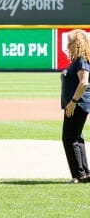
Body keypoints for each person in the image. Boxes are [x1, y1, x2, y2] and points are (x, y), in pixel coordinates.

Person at [61, 29, 90, 184]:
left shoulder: (81, 60)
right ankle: (84, 173)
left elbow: (84, 82)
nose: (68, 45)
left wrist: (73, 102)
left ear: (77, 43)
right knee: (76, 137)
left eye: (70, 42)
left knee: (69, 137)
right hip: (78, 103)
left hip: (77, 104)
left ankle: (78, 175)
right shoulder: (79, 59)